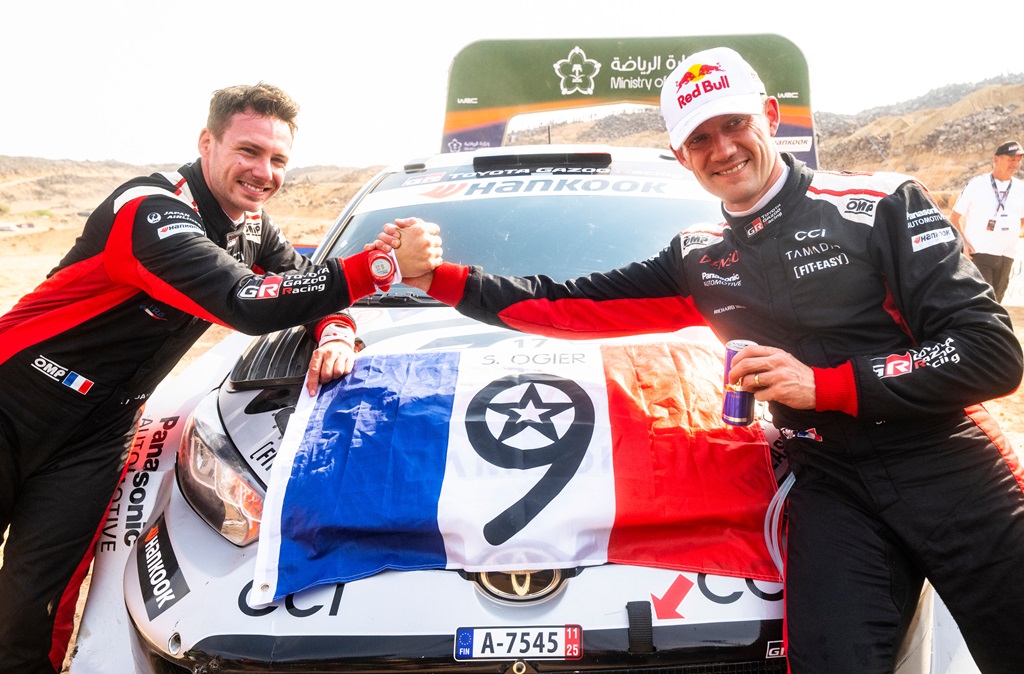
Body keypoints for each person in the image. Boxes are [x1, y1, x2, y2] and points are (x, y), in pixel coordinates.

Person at [380, 48, 1024, 673]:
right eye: (699, 138)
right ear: (681, 153)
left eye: (734, 123)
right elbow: (564, 303)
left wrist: (823, 385)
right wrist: (438, 278)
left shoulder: (878, 204)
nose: (722, 149)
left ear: (770, 116)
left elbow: (991, 351)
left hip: (946, 462)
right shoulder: (700, 255)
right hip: (831, 484)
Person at [0, 83, 441, 673]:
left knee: (37, 594)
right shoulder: (151, 208)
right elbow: (246, 301)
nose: (264, 172)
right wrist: (380, 265)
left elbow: (304, 284)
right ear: (206, 143)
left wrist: (336, 331)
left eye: (278, 159)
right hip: (17, 394)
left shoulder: (253, 226)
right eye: (248, 151)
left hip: (99, 430)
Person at [948, 140, 1024, 302]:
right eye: (1011, 159)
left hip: (1007, 255)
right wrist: (964, 244)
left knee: (997, 303)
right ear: (996, 159)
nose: (1016, 164)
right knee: (982, 303)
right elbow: (954, 218)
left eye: (1019, 160)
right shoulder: (977, 184)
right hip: (979, 253)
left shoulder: (1020, 188)